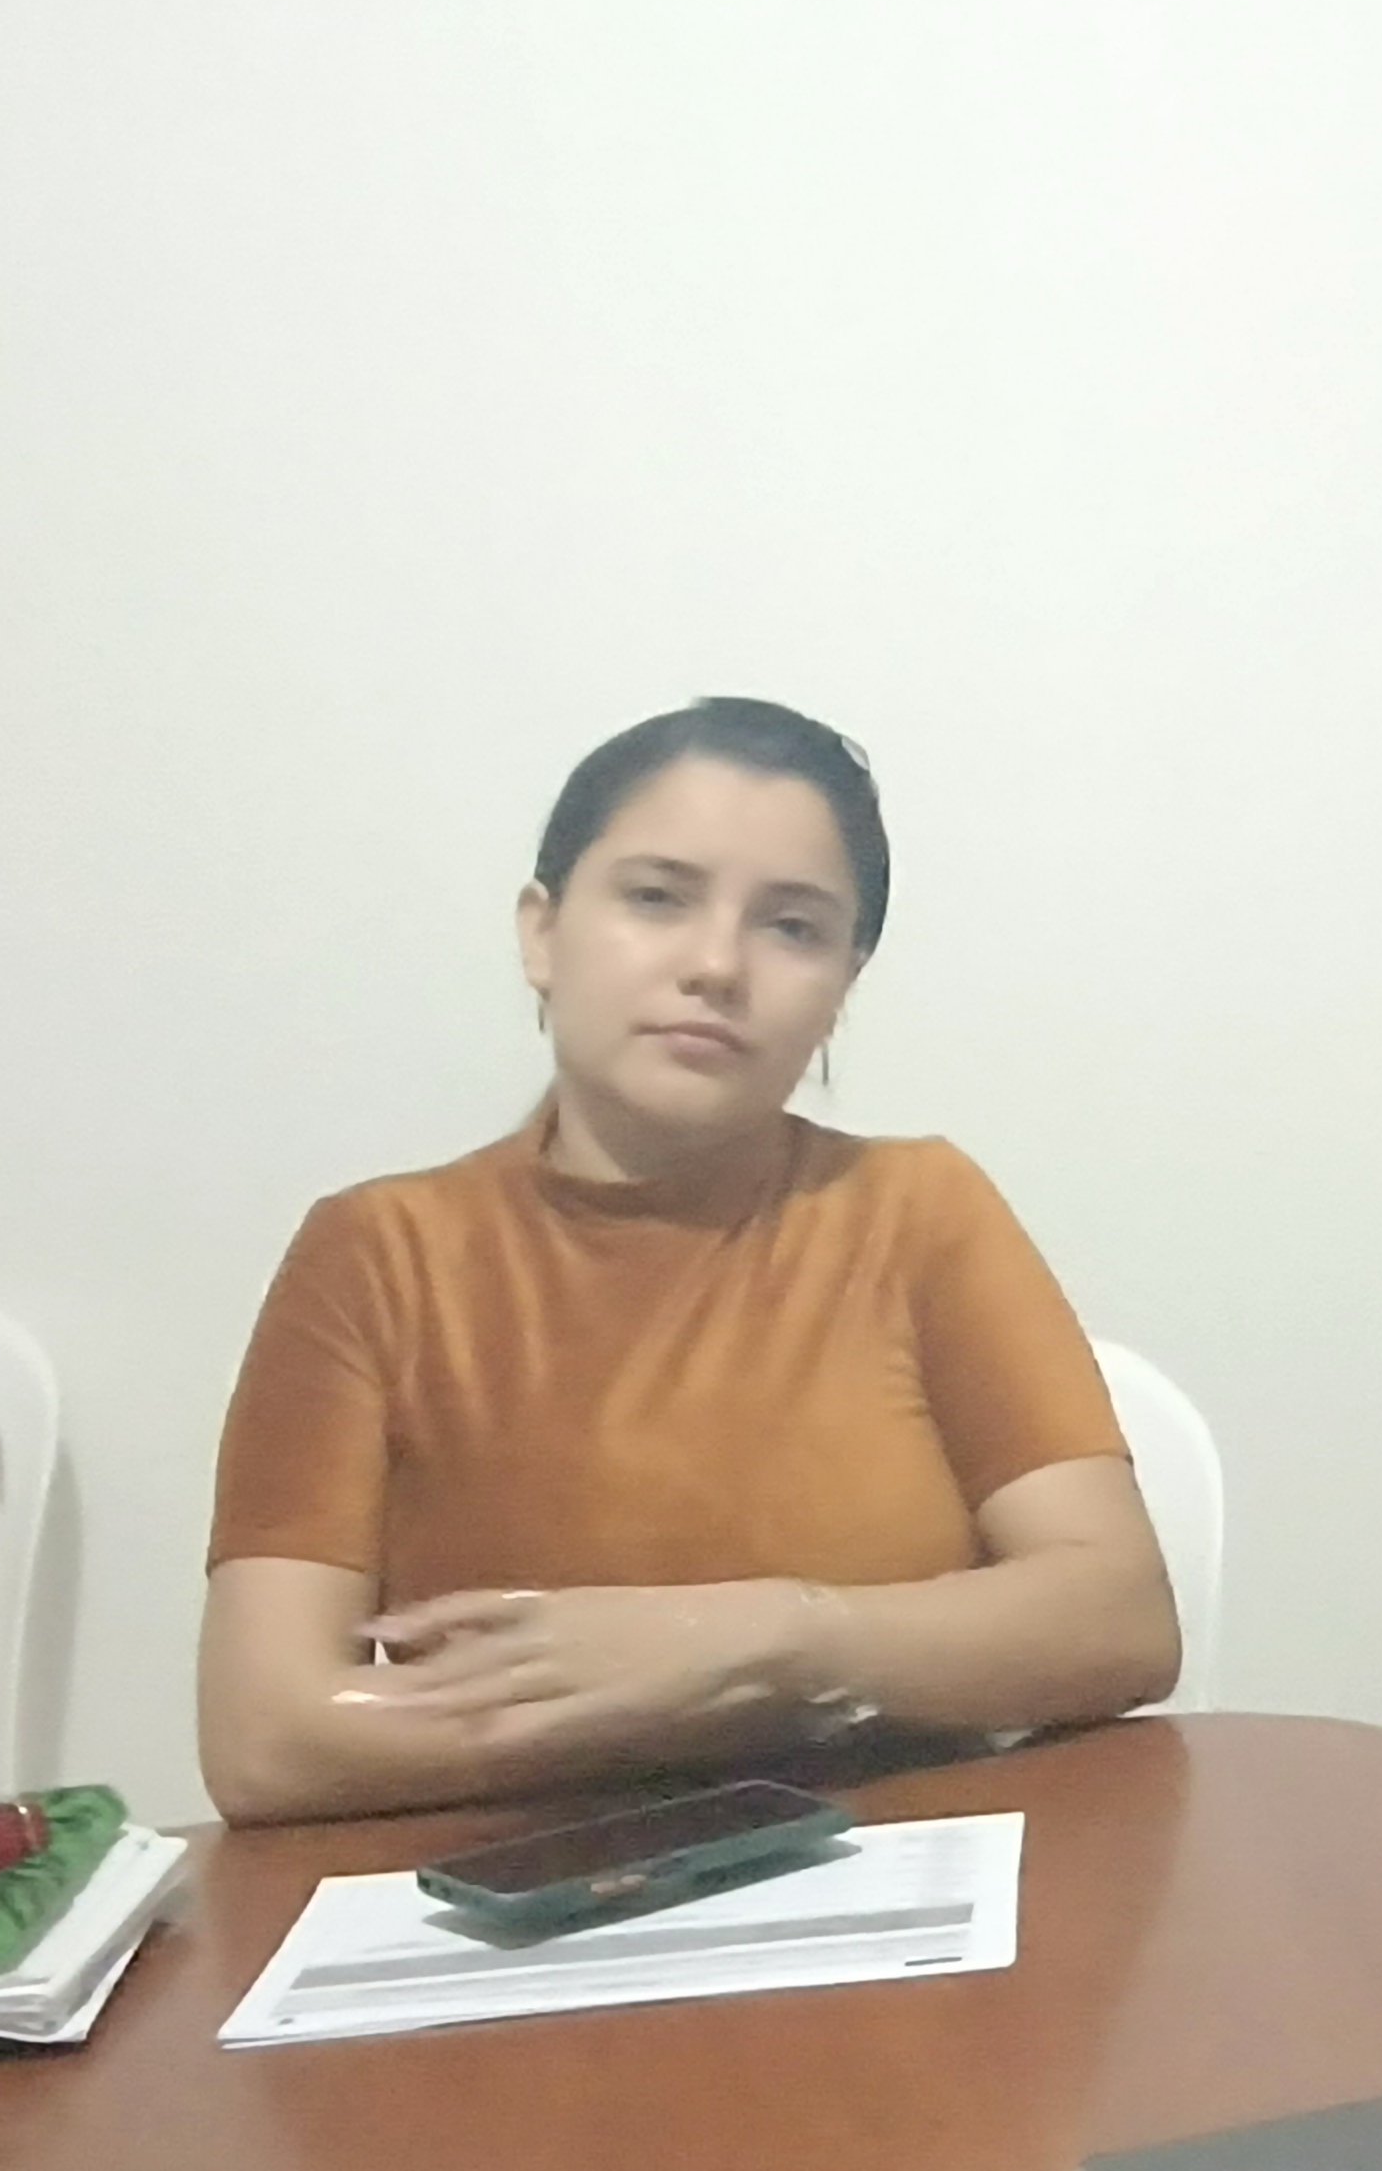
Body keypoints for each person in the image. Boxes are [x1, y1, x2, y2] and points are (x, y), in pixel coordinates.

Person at [195, 700, 1175, 1824]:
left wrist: (766, 1638)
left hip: (896, 1872)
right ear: (542, 934)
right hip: (515, 1894)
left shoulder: (917, 1211)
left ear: (843, 985)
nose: (716, 965)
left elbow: (1117, 1615)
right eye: (657, 898)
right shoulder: (380, 1256)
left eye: (792, 927)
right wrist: (699, 1701)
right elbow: (267, 1733)